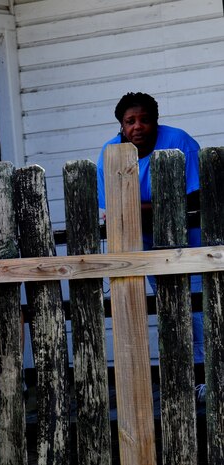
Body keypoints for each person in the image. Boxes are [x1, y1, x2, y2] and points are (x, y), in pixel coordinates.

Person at [96, 92, 205, 394]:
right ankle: (189, 376)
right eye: (130, 121)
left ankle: (209, 376)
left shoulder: (178, 141)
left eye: (144, 119)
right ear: (121, 125)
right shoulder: (110, 152)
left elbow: (192, 199)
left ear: (155, 121)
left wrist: (138, 205)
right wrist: (160, 204)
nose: (138, 126)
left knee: (199, 308)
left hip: (189, 242)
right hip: (143, 245)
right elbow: (114, 208)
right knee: (171, 308)